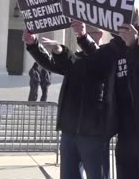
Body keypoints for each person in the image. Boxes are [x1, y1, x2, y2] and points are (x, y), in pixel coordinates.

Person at [76, 5, 139, 179]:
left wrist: (136, 43)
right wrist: (82, 37)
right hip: (127, 134)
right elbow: (95, 61)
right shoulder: (115, 48)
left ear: (137, 20)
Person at [23, 25, 115, 179]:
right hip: (69, 129)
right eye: (77, 33)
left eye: (85, 33)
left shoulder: (108, 56)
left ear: (99, 34)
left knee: (97, 175)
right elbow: (52, 64)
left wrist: (62, 51)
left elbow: (86, 65)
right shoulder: (75, 57)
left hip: (93, 131)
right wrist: (33, 45)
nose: (79, 36)